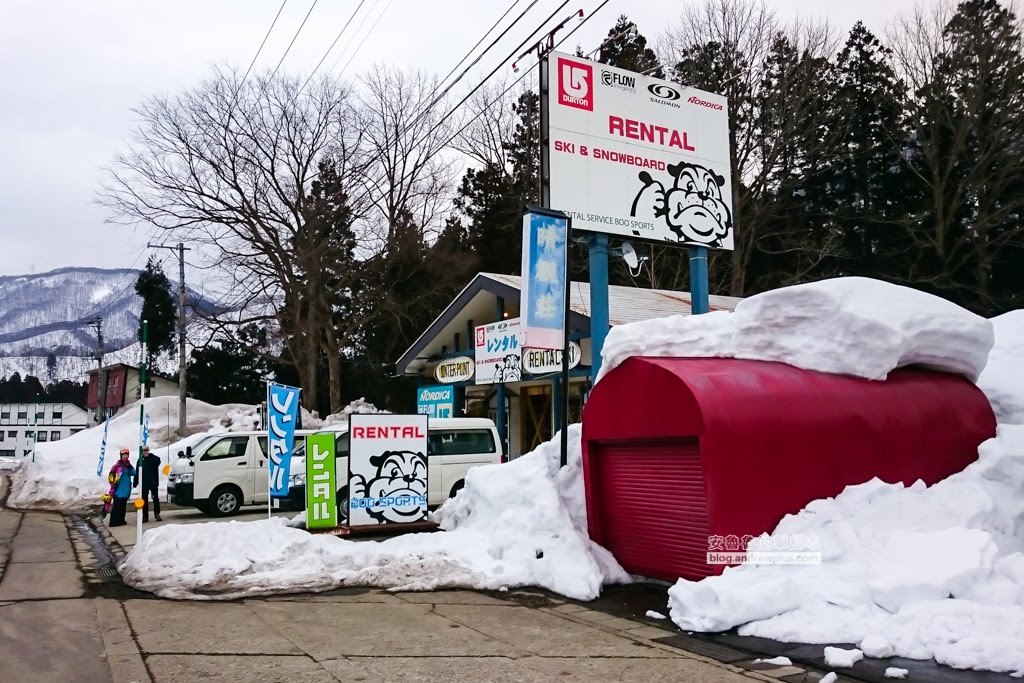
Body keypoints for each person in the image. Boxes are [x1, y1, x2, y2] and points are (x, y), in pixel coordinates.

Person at [108, 448, 136, 527]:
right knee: (117, 506)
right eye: (123, 455)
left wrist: (130, 467)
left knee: (123, 507)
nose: (125, 456)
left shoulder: (128, 466)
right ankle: (113, 522)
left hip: (126, 490)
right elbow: (111, 476)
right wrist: (112, 483)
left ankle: (121, 520)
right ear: (121, 456)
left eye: (126, 455)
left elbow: (134, 473)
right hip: (118, 490)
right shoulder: (116, 466)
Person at [134, 445, 162, 522]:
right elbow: (137, 471)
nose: (144, 452)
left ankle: (157, 514)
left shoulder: (154, 458)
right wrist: (135, 482)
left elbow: (157, 462)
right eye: (143, 450)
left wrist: (148, 457)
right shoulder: (140, 460)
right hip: (144, 483)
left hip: (153, 482)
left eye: (146, 450)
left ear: (148, 450)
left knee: (155, 498)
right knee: (144, 500)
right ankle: (145, 516)